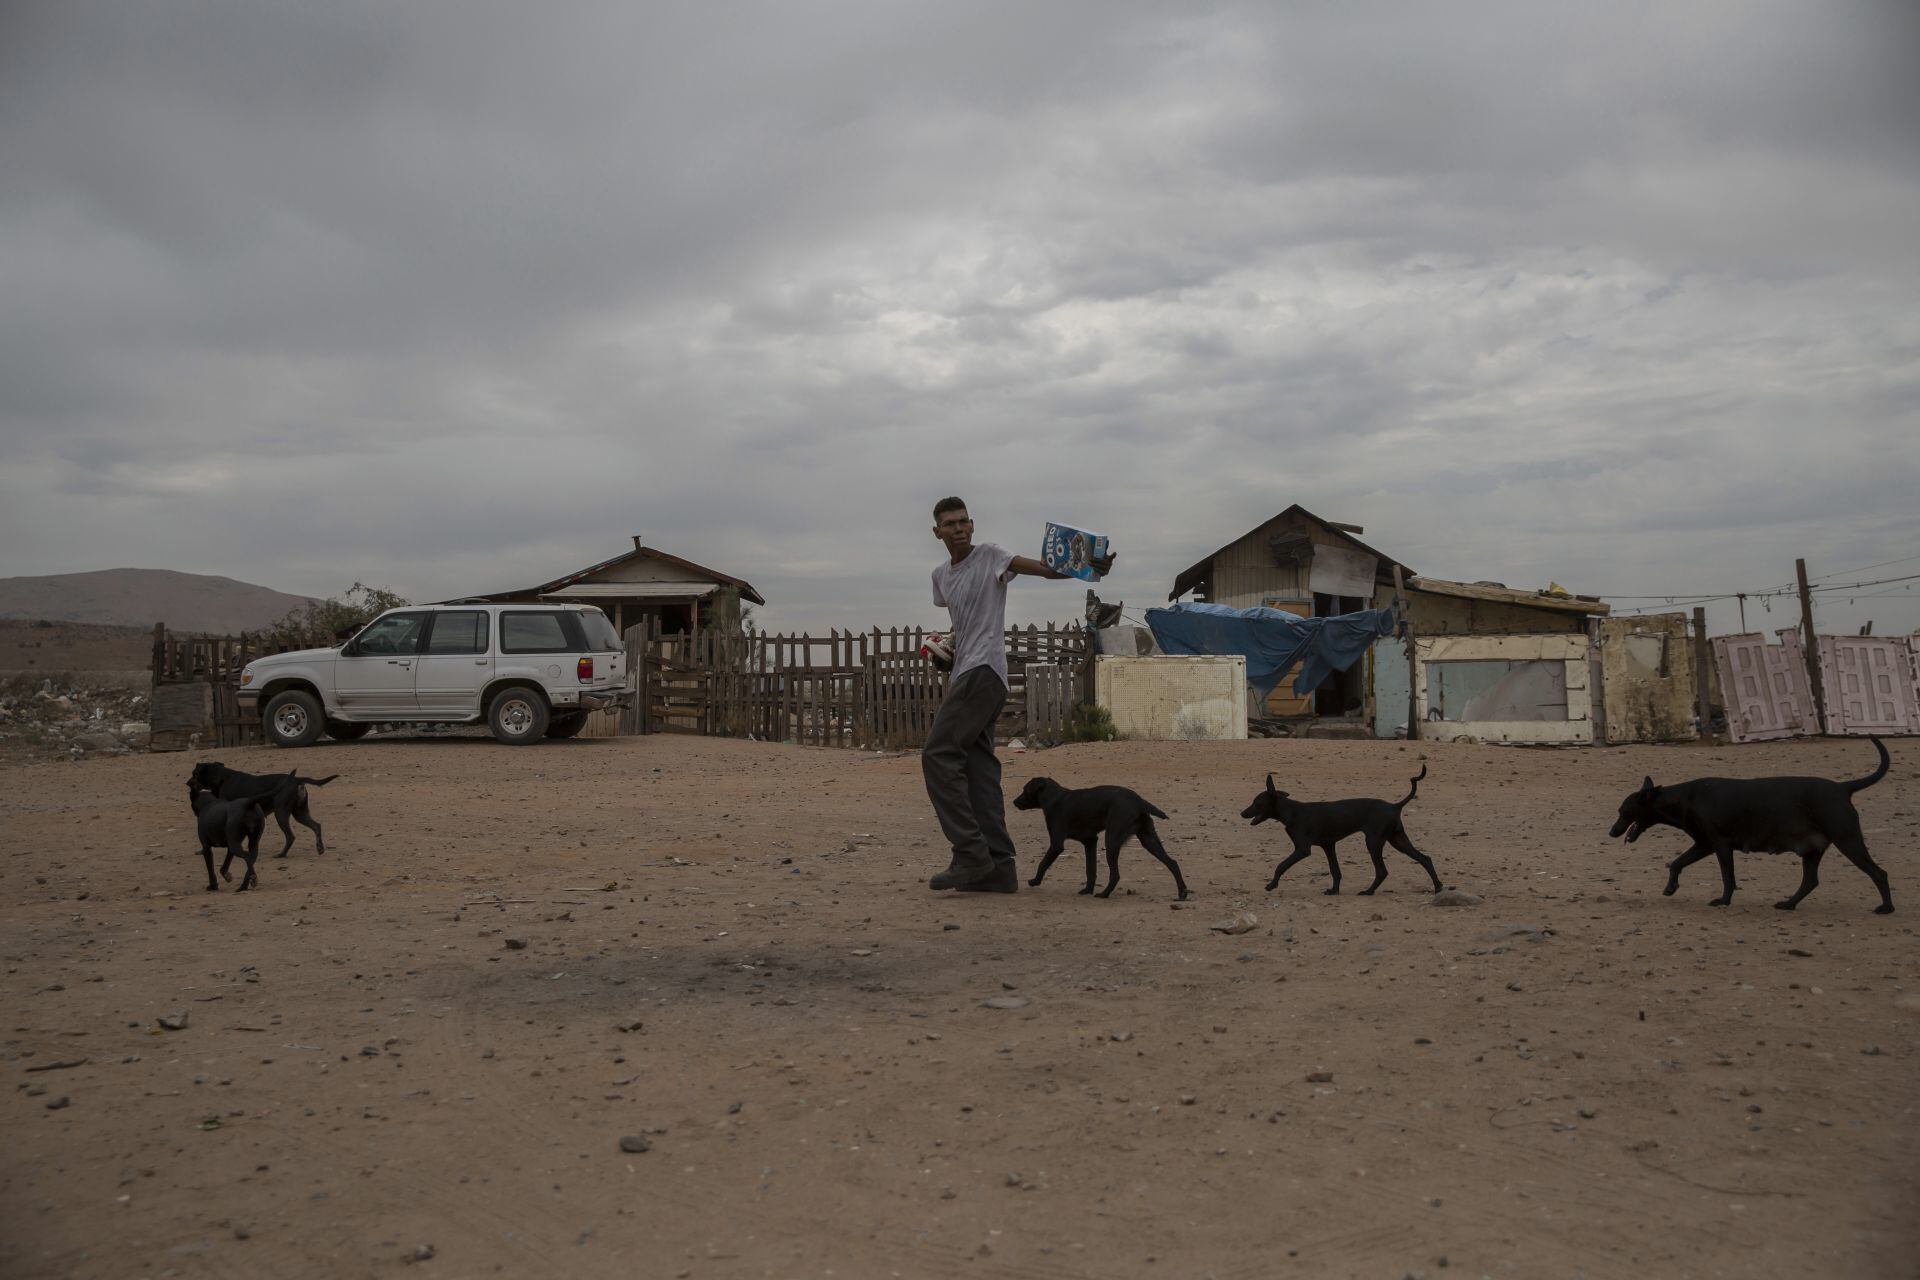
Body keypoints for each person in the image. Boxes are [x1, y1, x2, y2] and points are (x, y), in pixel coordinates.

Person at [924, 496, 1114, 892]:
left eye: (963, 521)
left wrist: (1086, 570)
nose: (958, 528)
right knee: (979, 771)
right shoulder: (941, 576)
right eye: (949, 523)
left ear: (972, 525)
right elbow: (966, 622)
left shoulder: (991, 556)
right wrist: (948, 654)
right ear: (937, 532)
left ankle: (970, 854)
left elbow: (1042, 570)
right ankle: (998, 868)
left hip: (983, 672)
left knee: (939, 754)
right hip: (967, 670)